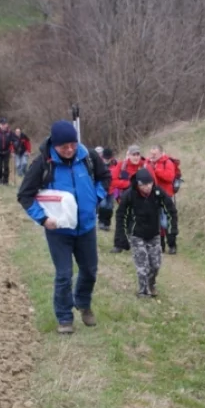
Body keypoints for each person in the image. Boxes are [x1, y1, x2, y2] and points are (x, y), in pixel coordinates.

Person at [16, 120, 110, 334]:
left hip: (86, 227)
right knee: (64, 275)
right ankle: (65, 318)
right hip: (58, 231)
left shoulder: (88, 157)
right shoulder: (43, 164)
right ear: (54, 145)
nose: (69, 150)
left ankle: (83, 304)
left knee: (89, 271)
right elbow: (24, 196)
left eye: (72, 145)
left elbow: (105, 177)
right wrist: (42, 219)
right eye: (64, 147)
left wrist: (96, 197)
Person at [116, 168, 177, 297]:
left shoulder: (158, 193)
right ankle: (143, 291)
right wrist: (121, 236)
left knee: (155, 265)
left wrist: (171, 232)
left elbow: (171, 210)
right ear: (138, 185)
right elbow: (121, 215)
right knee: (142, 265)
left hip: (154, 234)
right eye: (144, 185)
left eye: (149, 184)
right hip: (136, 234)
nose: (147, 187)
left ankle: (151, 283)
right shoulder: (129, 195)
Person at [110, 145, 148, 253]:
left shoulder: (144, 166)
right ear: (129, 155)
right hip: (124, 199)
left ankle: (137, 243)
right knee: (121, 220)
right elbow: (113, 181)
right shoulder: (122, 165)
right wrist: (129, 184)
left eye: (137, 154)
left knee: (136, 221)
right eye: (133, 154)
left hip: (140, 199)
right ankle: (119, 245)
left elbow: (150, 181)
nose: (136, 157)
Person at [148, 144, 181, 254]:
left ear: (161, 153)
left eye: (155, 154)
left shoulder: (168, 163)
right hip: (152, 196)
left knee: (166, 222)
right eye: (151, 153)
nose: (152, 156)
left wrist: (156, 170)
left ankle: (172, 245)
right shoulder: (148, 163)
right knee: (155, 221)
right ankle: (160, 245)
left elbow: (169, 177)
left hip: (166, 196)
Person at [95, 147, 117, 231]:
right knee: (103, 205)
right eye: (105, 158)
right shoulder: (99, 163)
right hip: (102, 188)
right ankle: (101, 222)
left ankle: (107, 223)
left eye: (108, 158)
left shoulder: (115, 163)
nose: (107, 160)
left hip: (111, 189)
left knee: (110, 207)